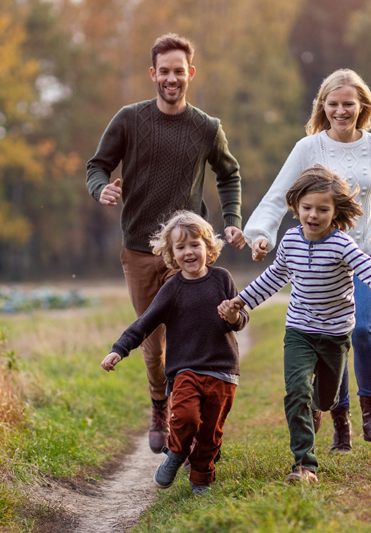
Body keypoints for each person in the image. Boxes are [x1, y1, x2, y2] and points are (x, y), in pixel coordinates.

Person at [243, 69, 371, 453]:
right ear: (323, 106)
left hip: (369, 250)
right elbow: (280, 194)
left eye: (348, 104)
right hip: (324, 256)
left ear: (362, 107)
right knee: (333, 335)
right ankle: (341, 422)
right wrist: (261, 234)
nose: (341, 111)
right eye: (334, 104)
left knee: (362, 329)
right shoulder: (309, 147)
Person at [87, 33, 247, 454]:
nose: (172, 78)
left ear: (190, 73)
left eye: (180, 71)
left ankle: (186, 407)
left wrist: (231, 221)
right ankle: (160, 404)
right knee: (154, 342)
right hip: (140, 249)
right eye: (165, 71)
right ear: (153, 74)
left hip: (186, 253)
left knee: (194, 333)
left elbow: (229, 174)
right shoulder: (129, 119)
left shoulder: (207, 127)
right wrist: (100, 188)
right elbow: (97, 165)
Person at [219, 166, 371, 483]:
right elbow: (275, 277)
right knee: (296, 392)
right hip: (299, 331)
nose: (313, 215)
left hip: (336, 335)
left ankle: (317, 409)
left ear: (335, 210)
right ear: (296, 206)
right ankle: (304, 465)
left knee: (324, 400)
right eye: (307, 208)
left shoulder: (343, 246)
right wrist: (241, 300)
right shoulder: (290, 240)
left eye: (322, 209)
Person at [101, 211, 248, 496]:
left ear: (208, 246)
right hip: (186, 370)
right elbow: (145, 323)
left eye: (195, 244)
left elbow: (241, 320)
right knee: (185, 418)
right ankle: (177, 454)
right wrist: (119, 349)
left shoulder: (222, 279)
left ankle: (201, 479)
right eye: (180, 247)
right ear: (171, 254)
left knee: (211, 433)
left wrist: (232, 317)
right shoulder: (172, 289)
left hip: (223, 371)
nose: (189, 252)